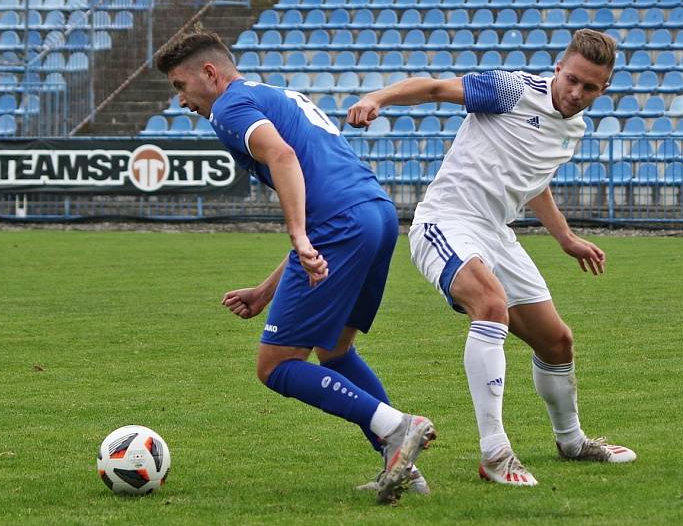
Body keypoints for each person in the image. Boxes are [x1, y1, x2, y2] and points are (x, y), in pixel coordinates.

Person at [155, 29, 435, 505]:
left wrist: (299, 235)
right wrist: (267, 289)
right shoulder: (276, 94)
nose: (181, 101)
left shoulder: (228, 108)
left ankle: (398, 428)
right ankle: (400, 463)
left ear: (209, 72)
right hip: (376, 214)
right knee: (336, 352)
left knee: (277, 365)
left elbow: (283, 157)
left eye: (181, 86)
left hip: (339, 224)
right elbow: (318, 174)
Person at [348, 28, 636, 487]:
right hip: (447, 221)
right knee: (491, 306)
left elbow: (533, 179)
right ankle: (495, 452)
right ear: (558, 69)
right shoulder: (512, 89)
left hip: (497, 235)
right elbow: (435, 88)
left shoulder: (574, 127)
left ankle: (572, 440)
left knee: (557, 342)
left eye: (590, 88)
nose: (577, 92)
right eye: (573, 79)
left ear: (604, 90)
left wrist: (565, 237)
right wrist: (376, 98)